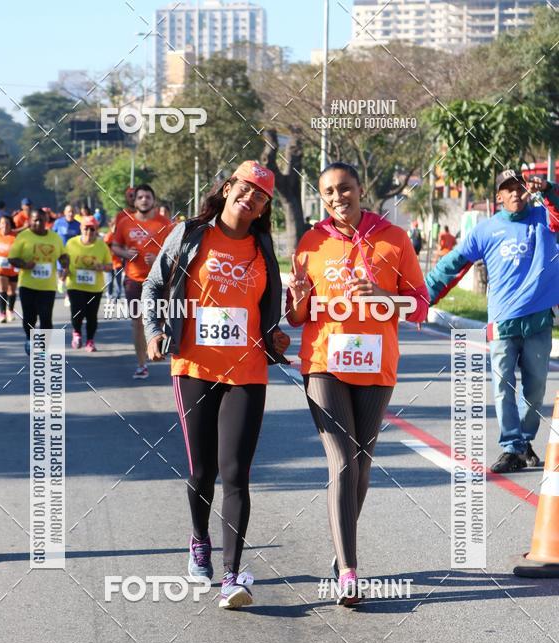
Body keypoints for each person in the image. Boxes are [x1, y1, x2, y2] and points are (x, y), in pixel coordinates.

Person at [143, 161, 291, 609]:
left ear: (265, 206)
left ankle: (232, 576)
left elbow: (268, 307)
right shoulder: (190, 235)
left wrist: (276, 335)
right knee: (202, 471)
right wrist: (154, 331)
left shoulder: (263, 246)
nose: (250, 198)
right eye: (245, 188)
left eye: (260, 195)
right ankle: (199, 539)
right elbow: (153, 285)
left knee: (236, 474)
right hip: (193, 365)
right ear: (228, 188)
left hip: (246, 371)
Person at [287, 161, 428, 604]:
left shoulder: (394, 239)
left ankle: (339, 546)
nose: (336, 197)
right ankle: (349, 570)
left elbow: (421, 305)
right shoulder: (310, 243)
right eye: (328, 191)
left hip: (375, 365)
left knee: (362, 464)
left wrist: (388, 298)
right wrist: (296, 301)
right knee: (343, 461)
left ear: (360, 189)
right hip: (324, 362)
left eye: (343, 188)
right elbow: (297, 316)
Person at [427, 168, 559, 473]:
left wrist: (549, 187)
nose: (515, 193)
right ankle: (511, 448)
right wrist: (425, 297)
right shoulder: (485, 230)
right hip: (501, 322)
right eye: (507, 189)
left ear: (528, 191)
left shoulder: (546, 219)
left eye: (519, 187)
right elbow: (453, 264)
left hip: (538, 319)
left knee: (536, 388)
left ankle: (524, 441)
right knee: (503, 387)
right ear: (498, 196)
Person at [112, 184, 173, 378]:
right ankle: (141, 364)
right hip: (134, 280)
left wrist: (159, 260)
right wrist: (125, 253)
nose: (144, 200)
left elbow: (176, 253)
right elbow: (115, 246)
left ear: (153, 200)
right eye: (140, 197)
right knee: (138, 322)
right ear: (135, 201)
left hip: (160, 281)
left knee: (160, 321)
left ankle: (156, 348)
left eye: (148, 197)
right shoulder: (125, 223)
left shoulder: (166, 224)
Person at [8, 208, 68, 354]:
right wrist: (25, 265)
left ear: (46, 221)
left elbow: (63, 255)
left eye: (41, 220)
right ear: (29, 221)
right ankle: (30, 338)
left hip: (48, 286)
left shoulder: (54, 237)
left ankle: (44, 348)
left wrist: (65, 263)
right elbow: (12, 258)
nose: (38, 223)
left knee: (46, 316)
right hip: (28, 285)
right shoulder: (23, 236)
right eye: (35, 220)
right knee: (30, 316)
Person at [65, 216, 112, 351]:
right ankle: (77, 333)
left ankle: (90, 341)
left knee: (91, 315)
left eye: (92, 229)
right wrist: (64, 271)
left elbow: (109, 266)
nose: (89, 232)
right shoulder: (71, 243)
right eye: (86, 228)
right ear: (81, 228)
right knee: (77, 311)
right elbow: (64, 261)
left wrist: (101, 267)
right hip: (75, 284)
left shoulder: (101, 245)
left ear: (96, 230)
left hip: (95, 287)